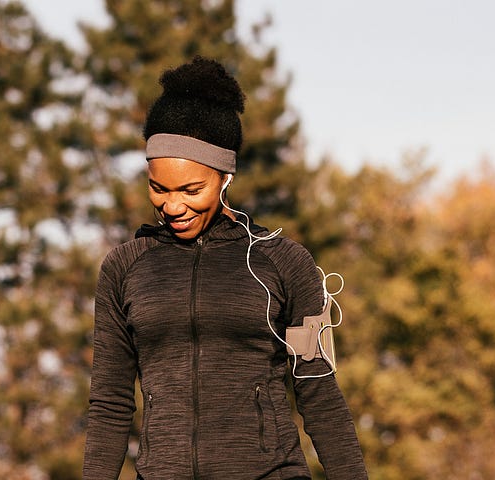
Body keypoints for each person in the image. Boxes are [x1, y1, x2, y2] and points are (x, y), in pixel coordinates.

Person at [83, 57, 367, 479]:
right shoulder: (125, 268)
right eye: (158, 188)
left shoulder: (284, 263)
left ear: (224, 177)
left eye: (191, 189)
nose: (172, 205)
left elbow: (318, 390)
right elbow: (110, 402)